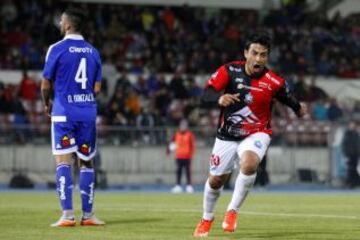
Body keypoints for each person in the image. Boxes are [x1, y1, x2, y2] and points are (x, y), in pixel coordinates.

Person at [193, 33, 306, 237]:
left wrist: (298, 109)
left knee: (250, 164)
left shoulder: (273, 81)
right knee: (216, 181)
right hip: (227, 135)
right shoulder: (229, 70)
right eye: (254, 53)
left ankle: (232, 212)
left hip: (257, 132)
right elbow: (206, 93)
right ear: (246, 53)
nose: (258, 59)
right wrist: (219, 99)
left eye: (263, 55)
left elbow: (287, 97)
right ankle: (207, 218)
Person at [41, 8, 105, 227]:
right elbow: (97, 88)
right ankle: (88, 216)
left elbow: (45, 84)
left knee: (63, 161)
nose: (60, 23)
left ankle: (67, 215)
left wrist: (46, 103)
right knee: (86, 161)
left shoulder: (56, 49)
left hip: (63, 112)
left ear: (67, 25)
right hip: (87, 113)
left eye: (61, 21)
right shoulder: (93, 51)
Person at [167, 119, 196, 193]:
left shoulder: (190, 135)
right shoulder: (176, 134)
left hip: (187, 156)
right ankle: (178, 186)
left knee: (188, 171)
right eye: (182, 125)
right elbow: (172, 143)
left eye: (184, 125)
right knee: (178, 171)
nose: (183, 127)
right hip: (179, 156)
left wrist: (191, 154)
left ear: (186, 126)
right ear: (180, 126)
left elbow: (192, 145)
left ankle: (189, 186)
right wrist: (168, 151)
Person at [341, 120, 360, 188]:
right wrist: (346, 155)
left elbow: (357, 144)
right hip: (349, 154)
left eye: (354, 124)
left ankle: (354, 183)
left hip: (356, 154)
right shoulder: (347, 134)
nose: (353, 126)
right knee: (350, 169)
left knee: (354, 169)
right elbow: (344, 145)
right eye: (351, 124)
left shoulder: (356, 134)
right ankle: (349, 183)